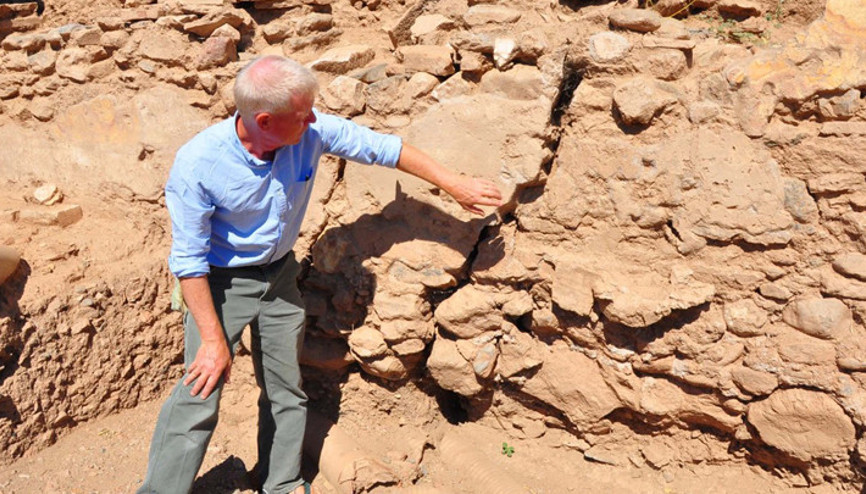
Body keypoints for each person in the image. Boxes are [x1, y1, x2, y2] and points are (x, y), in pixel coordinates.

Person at [137, 55, 503, 494]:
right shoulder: (199, 164)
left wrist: (453, 182)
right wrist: (215, 343)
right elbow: (189, 263)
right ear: (265, 120)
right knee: (202, 387)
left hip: (279, 278)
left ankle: (280, 483)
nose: (313, 119)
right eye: (302, 114)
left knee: (286, 388)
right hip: (219, 283)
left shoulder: (308, 131)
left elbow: (384, 148)